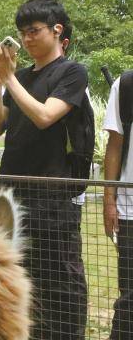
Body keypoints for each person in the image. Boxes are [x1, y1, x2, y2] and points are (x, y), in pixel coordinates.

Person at [0, 0, 88, 339]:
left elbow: (46, 116)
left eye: (33, 30)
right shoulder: (22, 76)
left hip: (52, 197)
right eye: (22, 32)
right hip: (11, 195)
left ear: (56, 30)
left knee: (59, 281)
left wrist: (9, 77)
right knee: (17, 279)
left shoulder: (72, 72)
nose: (26, 38)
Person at [103, 76, 133, 339]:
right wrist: (109, 200)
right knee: (130, 296)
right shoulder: (126, 85)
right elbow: (114, 145)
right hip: (130, 209)